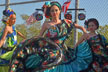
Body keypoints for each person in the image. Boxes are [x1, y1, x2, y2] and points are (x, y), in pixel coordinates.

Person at [35, 1, 92, 72]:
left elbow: (80, 27)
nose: (54, 12)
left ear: (60, 11)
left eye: (56, 10)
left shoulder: (66, 22)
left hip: (62, 50)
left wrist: (85, 32)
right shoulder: (46, 24)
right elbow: (40, 36)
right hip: (50, 50)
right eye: (52, 11)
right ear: (50, 12)